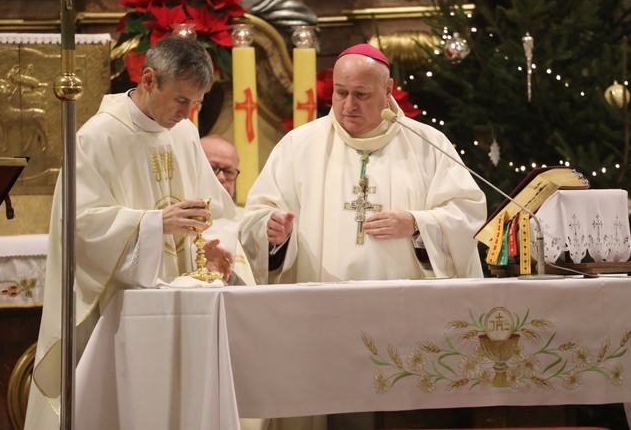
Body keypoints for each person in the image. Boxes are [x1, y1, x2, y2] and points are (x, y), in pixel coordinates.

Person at [24, 36, 239, 430]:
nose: (187, 112)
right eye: (180, 100)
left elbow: (215, 210)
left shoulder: (185, 133)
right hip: (121, 313)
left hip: (184, 306)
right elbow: (81, 228)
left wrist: (213, 246)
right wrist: (155, 223)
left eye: (195, 103)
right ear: (148, 79)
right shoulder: (96, 138)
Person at [240, 43, 486, 287]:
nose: (349, 105)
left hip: (404, 306)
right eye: (341, 92)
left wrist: (415, 223)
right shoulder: (297, 145)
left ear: (387, 89)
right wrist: (273, 231)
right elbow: (257, 215)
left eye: (361, 94)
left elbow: (466, 213)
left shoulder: (427, 144)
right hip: (321, 305)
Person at [201, 134, 259, 286]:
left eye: (228, 172)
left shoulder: (246, 218)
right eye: (213, 168)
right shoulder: (178, 217)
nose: (221, 177)